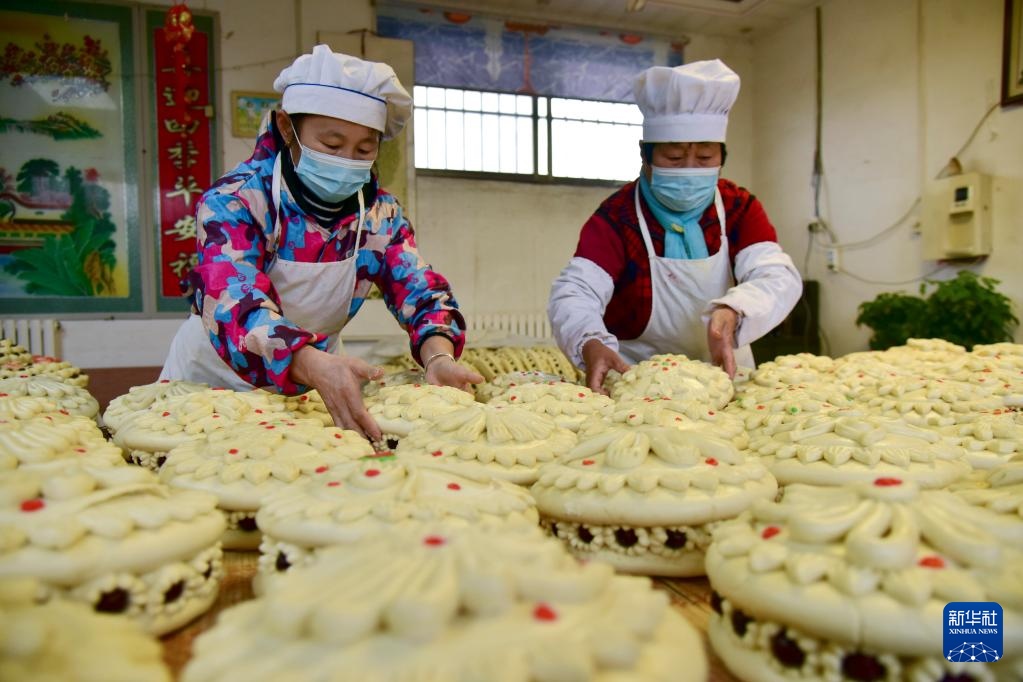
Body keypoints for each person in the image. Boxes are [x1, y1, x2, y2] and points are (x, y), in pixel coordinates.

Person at [161, 45, 482, 441]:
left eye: (364, 149)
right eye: (332, 145)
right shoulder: (238, 202)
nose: (347, 160)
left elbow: (421, 292)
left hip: (318, 387)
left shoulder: (378, 216)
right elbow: (235, 303)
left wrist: (438, 356)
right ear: (286, 127)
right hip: (211, 385)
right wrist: (310, 363)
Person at [548, 59, 802, 393]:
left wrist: (736, 310)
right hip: (639, 384)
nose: (690, 169)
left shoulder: (738, 208)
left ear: (722, 157)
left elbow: (777, 276)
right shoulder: (618, 218)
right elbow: (576, 291)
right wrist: (589, 342)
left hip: (726, 375)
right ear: (646, 155)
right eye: (674, 158)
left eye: (705, 158)